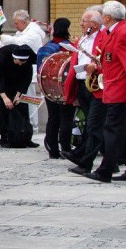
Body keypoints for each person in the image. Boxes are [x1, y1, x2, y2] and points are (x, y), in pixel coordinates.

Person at [83, 1, 126, 183]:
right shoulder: (115, 31)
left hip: (120, 91)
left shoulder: (123, 32)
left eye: (102, 15)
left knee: (112, 131)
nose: (101, 18)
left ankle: (105, 170)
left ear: (108, 17)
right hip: (115, 88)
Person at [63, 8, 109, 176]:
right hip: (83, 83)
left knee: (93, 124)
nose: (81, 24)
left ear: (94, 24)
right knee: (93, 124)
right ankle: (109, 161)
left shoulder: (103, 37)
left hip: (96, 84)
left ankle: (85, 160)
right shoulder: (83, 39)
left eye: (84, 21)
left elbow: (106, 60)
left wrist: (96, 67)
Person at [0, 9, 45, 131]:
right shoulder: (21, 32)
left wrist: (2, 37)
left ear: (24, 22)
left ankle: (33, 125)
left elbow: (19, 44)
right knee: (23, 99)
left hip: (30, 71)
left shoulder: (33, 33)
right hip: (21, 71)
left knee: (30, 98)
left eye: (17, 23)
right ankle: (24, 124)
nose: (15, 26)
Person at [37, 18, 75, 159]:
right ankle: (65, 148)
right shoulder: (70, 47)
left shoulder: (46, 48)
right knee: (66, 118)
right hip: (66, 87)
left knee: (53, 118)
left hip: (49, 87)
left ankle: (52, 149)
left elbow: (41, 70)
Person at [0, 44, 38, 148]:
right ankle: (5, 138)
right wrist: (5, 97)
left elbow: (26, 78)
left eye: (23, 62)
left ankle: (25, 138)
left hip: (16, 83)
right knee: (2, 110)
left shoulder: (26, 61)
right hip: (0, 84)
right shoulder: (3, 56)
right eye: (18, 61)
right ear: (13, 57)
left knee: (22, 109)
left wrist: (19, 94)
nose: (20, 64)